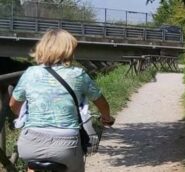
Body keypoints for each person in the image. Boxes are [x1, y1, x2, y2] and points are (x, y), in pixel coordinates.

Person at [9, 29, 115, 172]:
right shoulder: (78, 75)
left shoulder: (30, 73)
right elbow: (101, 102)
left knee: (32, 165)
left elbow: (13, 105)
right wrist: (106, 118)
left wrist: (26, 117)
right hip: (66, 146)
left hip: (30, 144)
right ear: (68, 50)